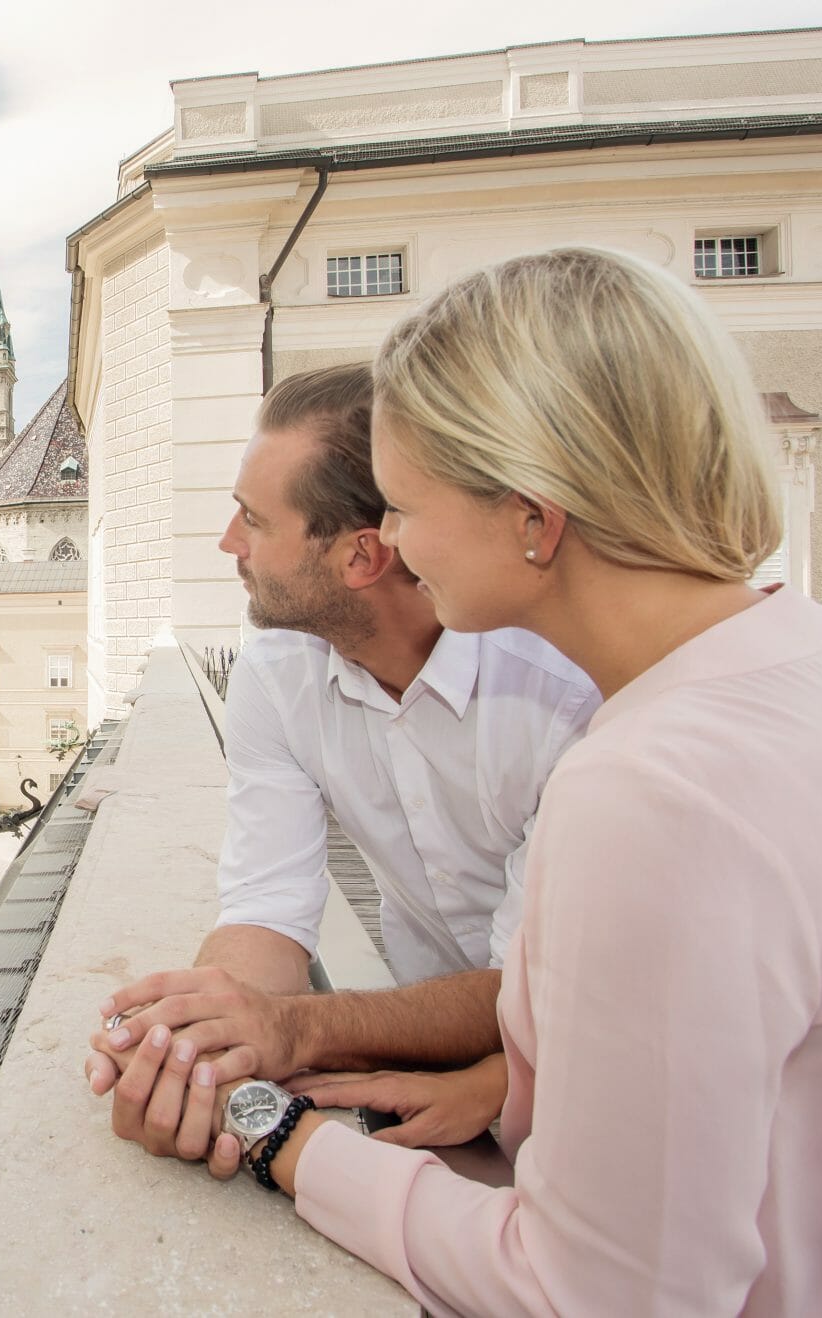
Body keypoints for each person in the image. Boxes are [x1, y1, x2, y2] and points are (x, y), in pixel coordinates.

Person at [147, 248, 822, 1313]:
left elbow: (592, 1293)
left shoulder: (649, 788)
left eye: (410, 507)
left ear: (532, 518)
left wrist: (277, 1133)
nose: (402, 546)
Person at [89, 363, 596, 1158]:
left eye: (253, 521)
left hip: (592, 1080)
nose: (229, 544)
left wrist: (288, 1031)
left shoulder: (564, 694)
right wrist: (193, 1045)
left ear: (363, 558)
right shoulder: (277, 668)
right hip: (440, 1066)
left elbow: (534, 992)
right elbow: (267, 900)